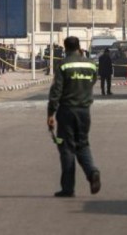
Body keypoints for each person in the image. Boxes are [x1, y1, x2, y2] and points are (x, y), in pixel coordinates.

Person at [47, 36, 101, 198]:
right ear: (79, 47)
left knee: (67, 148)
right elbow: (92, 82)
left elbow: (56, 91)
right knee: (83, 144)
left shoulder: (63, 65)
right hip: (84, 111)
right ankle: (92, 172)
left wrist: (51, 113)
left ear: (65, 49)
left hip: (67, 111)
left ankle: (68, 188)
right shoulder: (90, 64)